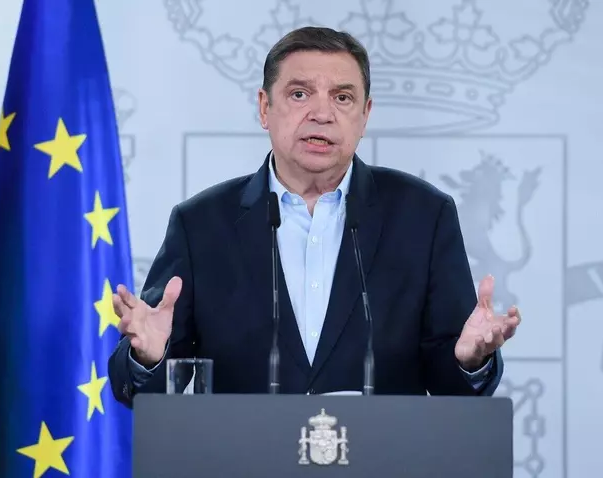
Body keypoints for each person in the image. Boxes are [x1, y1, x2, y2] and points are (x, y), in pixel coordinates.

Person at [108, 26, 521, 407]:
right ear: (265, 107)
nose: (322, 113)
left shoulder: (424, 217)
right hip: (243, 454)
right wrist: (148, 358)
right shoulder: (201, 225)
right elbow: (141, 390)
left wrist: (470, 361)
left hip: (380, 454)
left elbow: (454, 388)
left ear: (365, 115)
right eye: (300, 94)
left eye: (342, 98)